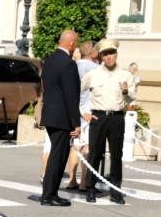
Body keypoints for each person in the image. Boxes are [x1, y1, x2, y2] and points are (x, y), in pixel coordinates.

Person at [80, 39, 136, 205]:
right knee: (95, 153)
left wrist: (126, 91)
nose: (109, 57)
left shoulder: (126, 75)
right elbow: (76, 93)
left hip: (117, 117)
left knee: (117, 155)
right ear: (101, 56)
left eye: (111, 53)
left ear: (116, 54)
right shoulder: (93, 74)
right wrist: (83, 114)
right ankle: (90, 188)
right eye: (105, 54)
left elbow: (132, 97)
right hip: (98, 117)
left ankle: (116, 191)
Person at [39, 30, 82, 207]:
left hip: (50, 114)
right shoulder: (68, 64)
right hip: (62, 116)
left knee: (55, 155)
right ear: (72, 44)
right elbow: (71, 96)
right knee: (59, 156)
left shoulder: (49, 60)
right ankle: (50, 195)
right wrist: (76, 123)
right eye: (76, 44)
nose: (76, 47)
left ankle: (48, 193)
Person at [67, 41, 98, 190]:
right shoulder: (97, 69)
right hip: (89, 111)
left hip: (75, 110)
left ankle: (72, 179)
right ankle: (84, 182)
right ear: (93, 53)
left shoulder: (73, 66)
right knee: (88, 147)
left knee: (76, 146)